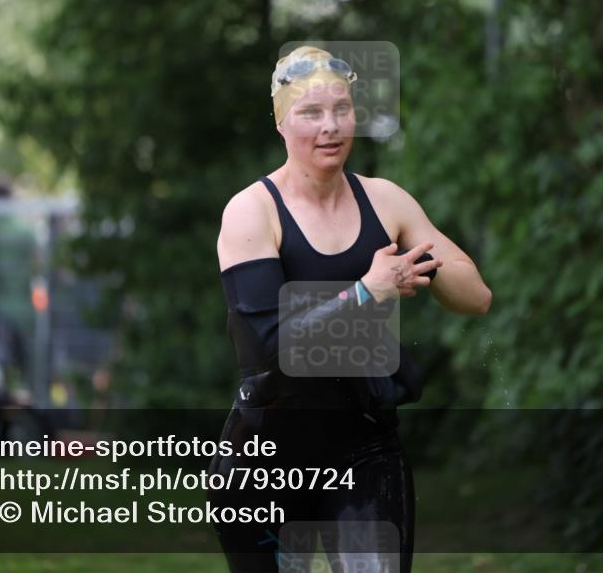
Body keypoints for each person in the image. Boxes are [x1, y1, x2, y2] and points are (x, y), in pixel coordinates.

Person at [208, 45, 492, 573]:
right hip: (267, 455)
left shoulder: (385, 201)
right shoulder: (252, 211)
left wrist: (423, 266)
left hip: (364, 448)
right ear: (281, 122)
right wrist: (366, 291)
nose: (330, 126)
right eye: (311, 113)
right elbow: (268, 349)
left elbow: (477, 298)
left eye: (341, 109)